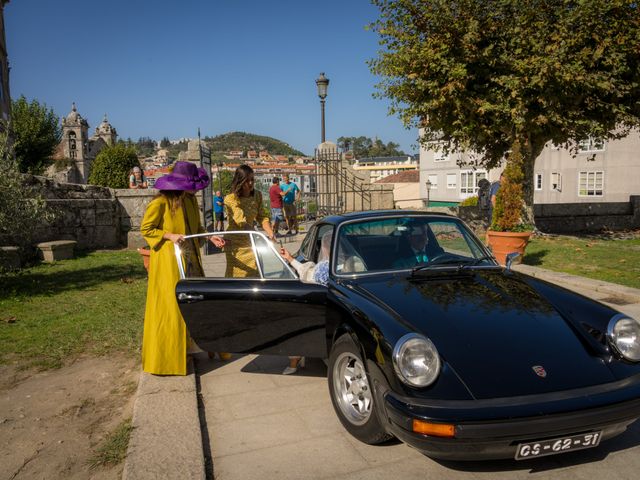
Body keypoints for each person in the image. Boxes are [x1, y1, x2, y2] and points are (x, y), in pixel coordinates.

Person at [140, 161, 224, 375]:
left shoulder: (190, 201)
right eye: (191, 185)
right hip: (169, 264)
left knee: (194, 304)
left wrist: (210, 236)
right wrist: (169, 236)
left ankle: (192, 347)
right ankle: (170, 357)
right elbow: (147, 229)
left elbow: (196, 229)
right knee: (172, 308)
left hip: (191, 262)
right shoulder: (160, 203)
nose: (196, 189)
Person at [279, 231, 332, 374]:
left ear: (325, 248)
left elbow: (304, 271)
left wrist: (290, 258)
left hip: (322, 310)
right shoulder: (353, 264)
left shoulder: (321, 268)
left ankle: (294, 361)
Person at [224, 164, 276, 278]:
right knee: (238, 275)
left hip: (251, 240)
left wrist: (270, 233)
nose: (251, 183)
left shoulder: (257, 195)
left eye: (252, 180)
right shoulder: (230, 198)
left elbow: (262, 216)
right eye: (247, 181)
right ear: (240, 181)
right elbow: (240, 220)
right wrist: (258, 236)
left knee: (256, 272)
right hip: (235, 244)